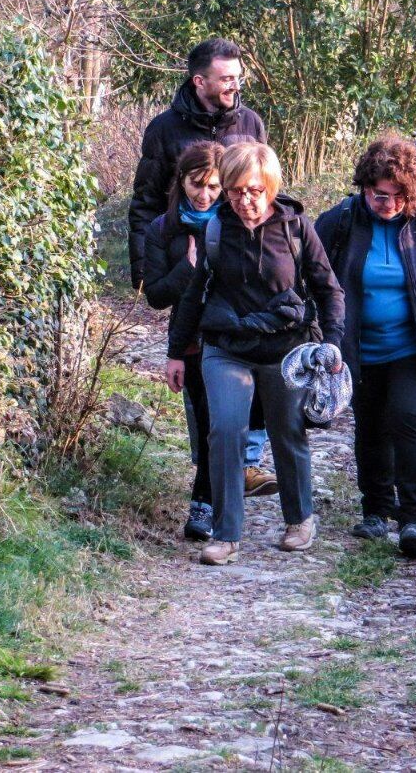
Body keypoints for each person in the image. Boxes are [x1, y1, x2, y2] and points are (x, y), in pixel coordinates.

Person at [166, 143, 345, 566]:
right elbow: (194, 294)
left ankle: (300, 519)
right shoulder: (214, 230)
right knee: (226, 430)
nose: (244, 201)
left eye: (253, 191)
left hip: (286, 350)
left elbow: (328, 289)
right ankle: (226, 535)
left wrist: (332, 342)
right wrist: (176, 352)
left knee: (287, 431)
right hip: (226, 347)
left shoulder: (297, 228)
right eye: (234, 191)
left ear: (270, 187)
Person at [128, 37, 275, 497]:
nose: (236, 84)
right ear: (200, 81)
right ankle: (213, 463)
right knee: (195, 360)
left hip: (242, 260)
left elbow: (264, 189)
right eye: (226, 78)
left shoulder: (250, 123)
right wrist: (144, 271)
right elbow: (146, 201)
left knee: (251, 354)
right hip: (187, 261)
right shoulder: (165, 129)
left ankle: (243, 459)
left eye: (238, 77)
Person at [316, 135, 416, 558]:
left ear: (410, 192)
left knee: (407, 420)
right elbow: (311, 273)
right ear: (364, 186)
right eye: (378, 194)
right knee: (369, 426)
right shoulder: (342, 220)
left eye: (396, 195)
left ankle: (415, 520)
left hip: (414, 347)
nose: (386, 203)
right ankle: (375, 512)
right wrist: (321, 333)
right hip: (358, 347)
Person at [143, 142, 227, 541]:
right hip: (191, 338)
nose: (205, 194)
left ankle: (215, 498)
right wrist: (187, 269)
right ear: (182, 180)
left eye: (214, 186)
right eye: (198, 185)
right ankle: (205, 504)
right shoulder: (162, 229)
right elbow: (156, 295)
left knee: (226, 422)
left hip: (235, 336)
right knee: (209, 421)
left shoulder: (236, 221)